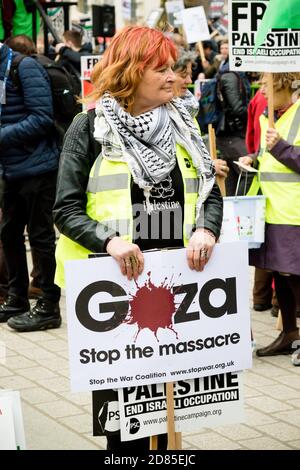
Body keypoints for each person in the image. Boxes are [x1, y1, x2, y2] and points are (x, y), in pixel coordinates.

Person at [53, 25, 223, 449]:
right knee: (127, 426)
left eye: (174, 68)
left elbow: (209, 192)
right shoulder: (89, 128)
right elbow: (66, 209)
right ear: (130, 72)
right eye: (160, 69)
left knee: (171, 417)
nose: (174, 77)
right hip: (116, 290)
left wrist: (206, 227)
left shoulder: (184, 122)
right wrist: (110, 241)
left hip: (176, 286)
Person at [239, 72, 300, 365]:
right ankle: (290, 333)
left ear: (282, 83)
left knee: (294, 275)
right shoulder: (267, 115)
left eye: (265, 83)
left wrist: (281, 148)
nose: (261, 89)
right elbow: (269, 154)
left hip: (294, 210)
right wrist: (254, 157)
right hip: (270, 207)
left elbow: (287, 154)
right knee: (278, 273)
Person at [0, 41, 61, 330]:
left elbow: (42, 118)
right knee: (9, 234)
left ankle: (49, 304)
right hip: (10, 169)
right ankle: (17, 299)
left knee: (40, 236)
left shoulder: (24, 67)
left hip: (39, 167)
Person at [173, 50, 229, 181]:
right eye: (183, 75)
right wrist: (209, 166)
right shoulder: (161, 112)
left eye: (190, 75)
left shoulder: (189, 110)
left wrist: (209, 164)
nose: (189, 80)